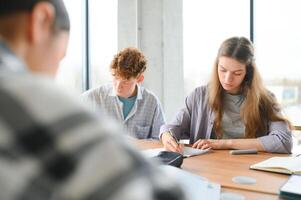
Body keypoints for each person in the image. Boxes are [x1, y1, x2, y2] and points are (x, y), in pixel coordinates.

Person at [0, 0, 186, 199]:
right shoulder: (33, 99)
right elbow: (160, 195)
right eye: (60, 57)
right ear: (41, 19)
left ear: (139, 79)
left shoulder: (151, 101)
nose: (54, 74)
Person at [160, 36, 292, 154]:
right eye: (223, 70)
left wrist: (224, 143)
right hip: (208, 169)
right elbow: (172, 127)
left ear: (248, 73)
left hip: (251, 170)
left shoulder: (265, 99)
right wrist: (167, 136)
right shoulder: (199, 96)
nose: (227, 79)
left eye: (237, 73)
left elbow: (283, 141)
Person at [82, 47, 165, 139]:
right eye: (115, 78)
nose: (118, 86)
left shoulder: (152, 102)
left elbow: (160, 141)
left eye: (125, 81)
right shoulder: (92, 97)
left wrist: (134, 145)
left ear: (139, 79)